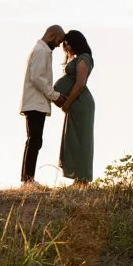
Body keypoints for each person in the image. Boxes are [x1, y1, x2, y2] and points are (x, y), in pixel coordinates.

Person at [19, 25, 65, 184]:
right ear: (52, 35)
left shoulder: (42, 51)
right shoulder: (41, 51)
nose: (59, 45)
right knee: (34, 140)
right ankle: (27, 180)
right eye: (59, 40)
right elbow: (37, 77)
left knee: (34, 140)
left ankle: (27, 179)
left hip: (36, 102)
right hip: (34, 103)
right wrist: (55, 96)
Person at [53, 29, 95, 186]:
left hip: (80, 102)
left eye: (67, 44)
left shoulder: (84, 58)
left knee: (82, 139)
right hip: (75, 103)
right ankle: (78, 177)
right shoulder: (78, 58)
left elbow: (80, 83)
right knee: (73, 139)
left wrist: (68, 103)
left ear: (75, 42)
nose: (66, 47)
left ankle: (83, 178)